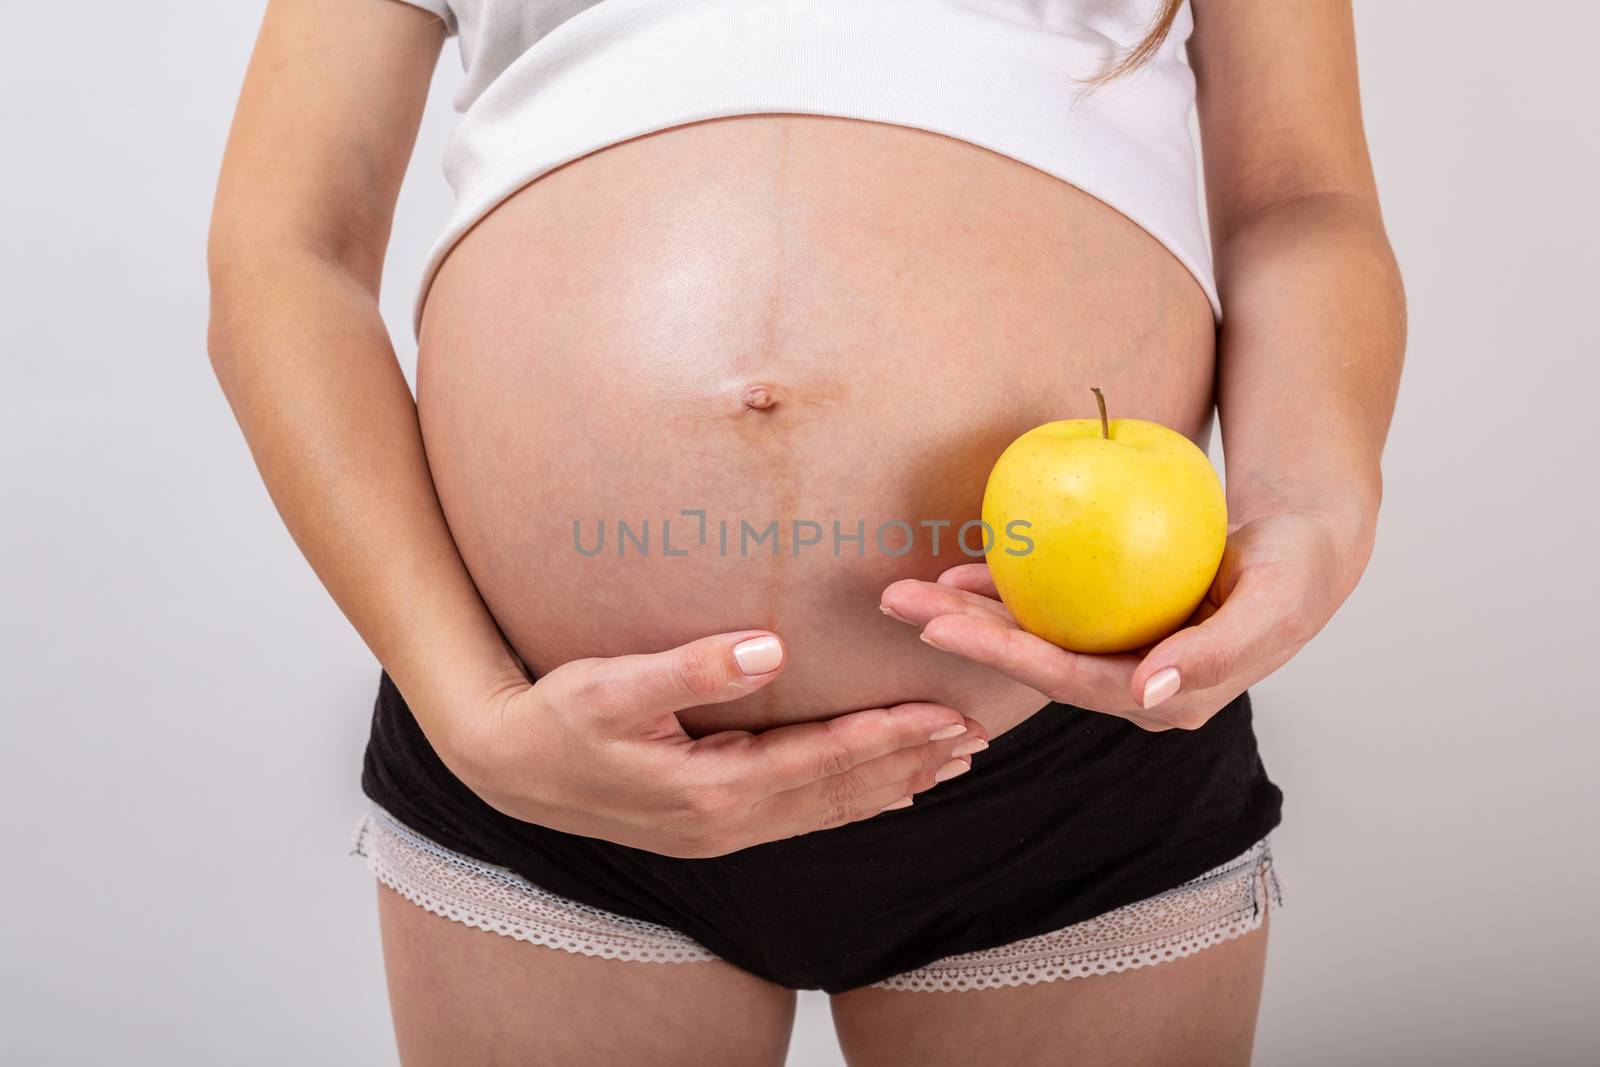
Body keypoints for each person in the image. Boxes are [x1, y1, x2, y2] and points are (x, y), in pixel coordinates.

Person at [207, 0, 1404, 1063]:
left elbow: (1299, 197)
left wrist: (1309, 507)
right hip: (545, 742)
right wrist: (471, 715)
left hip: (1068, 721)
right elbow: (286, 246)